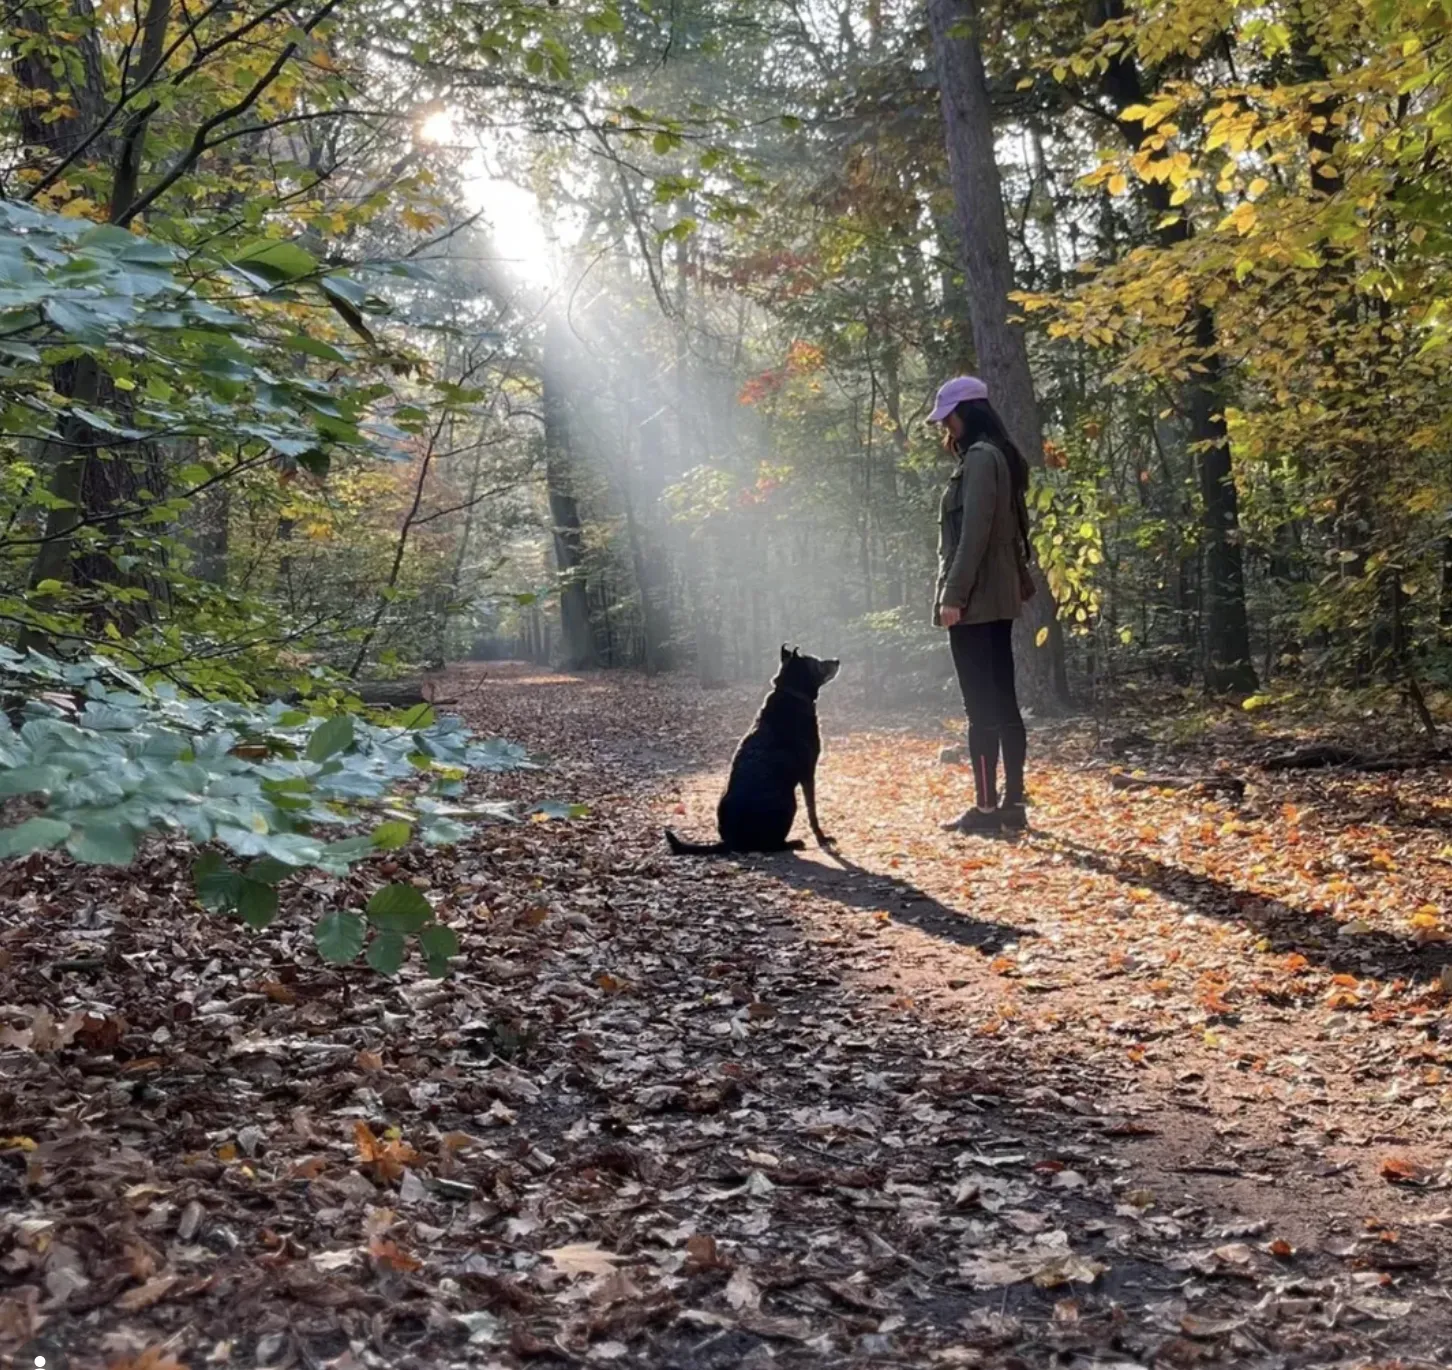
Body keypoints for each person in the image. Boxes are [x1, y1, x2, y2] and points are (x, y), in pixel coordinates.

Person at [927, 375, 1036, 835]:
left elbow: (973, 534)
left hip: (975, 601)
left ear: (965, 412)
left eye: (948, 417)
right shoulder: (1003, 457)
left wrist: (952, 596)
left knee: (981, 708)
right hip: (998, 597)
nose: (945, 427)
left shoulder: (979, 460)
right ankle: (1012, 804)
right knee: (1004, 702)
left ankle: (988, 810)